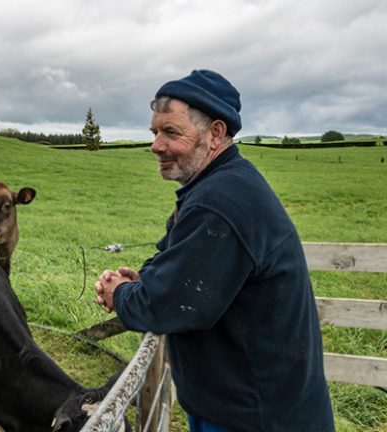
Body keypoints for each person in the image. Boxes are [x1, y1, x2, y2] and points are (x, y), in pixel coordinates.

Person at [94, 70, 335, 431]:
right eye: (155, 132)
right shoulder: (218, 186)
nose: (156, 145)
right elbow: (176, 261)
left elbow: (166, 305)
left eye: (171, 132)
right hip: (255, 403)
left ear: (215, 134)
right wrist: (144, 279)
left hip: (255, 417)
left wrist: (122, 293)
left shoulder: (219, 202)